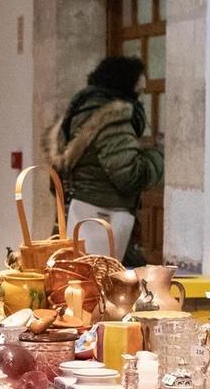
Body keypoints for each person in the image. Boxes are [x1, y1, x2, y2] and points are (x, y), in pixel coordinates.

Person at [49, 55, 163, 265]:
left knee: (76, 274)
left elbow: (54, 179)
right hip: (104, 216)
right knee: (103, 276)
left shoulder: (77, 112)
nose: (143, 95)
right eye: (140, 89)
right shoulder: (112, 120)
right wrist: (157, 155)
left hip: (73, 213)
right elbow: (130, 176)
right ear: (126, 84)